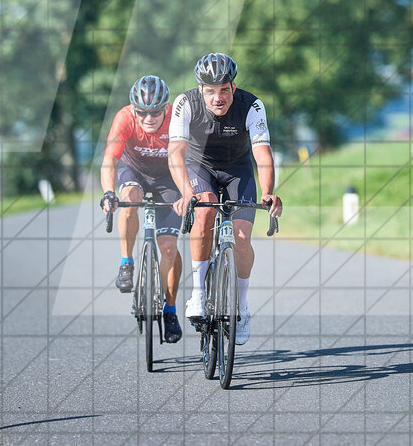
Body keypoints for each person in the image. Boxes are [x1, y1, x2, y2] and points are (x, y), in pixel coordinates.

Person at [168, 53, 283, 345]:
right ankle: (198, 293)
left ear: (233, 87)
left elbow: (262, 154)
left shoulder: (252, 106)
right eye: (210, 91)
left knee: (242, 238)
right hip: (199, 166)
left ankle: (242, 308)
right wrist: (185, 192)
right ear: (201, 90)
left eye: (224, 90)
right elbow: (176, 154)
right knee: (205, 209)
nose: (217, 97)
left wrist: (268, 191)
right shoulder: (186, 103)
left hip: (237, 169)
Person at [99, 75, 184, 343]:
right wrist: (109, 193)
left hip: (169, 177)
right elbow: (109, 161)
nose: (149, 118)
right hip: (134, 170)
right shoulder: (124, 118)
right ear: (134, 110)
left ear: (166, 108)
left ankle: (169, 309)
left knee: (169, 247)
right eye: (142, 113)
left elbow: (190, 159)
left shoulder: (178, 119)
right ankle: (126, 263)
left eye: (156, 112)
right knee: (130, 197)